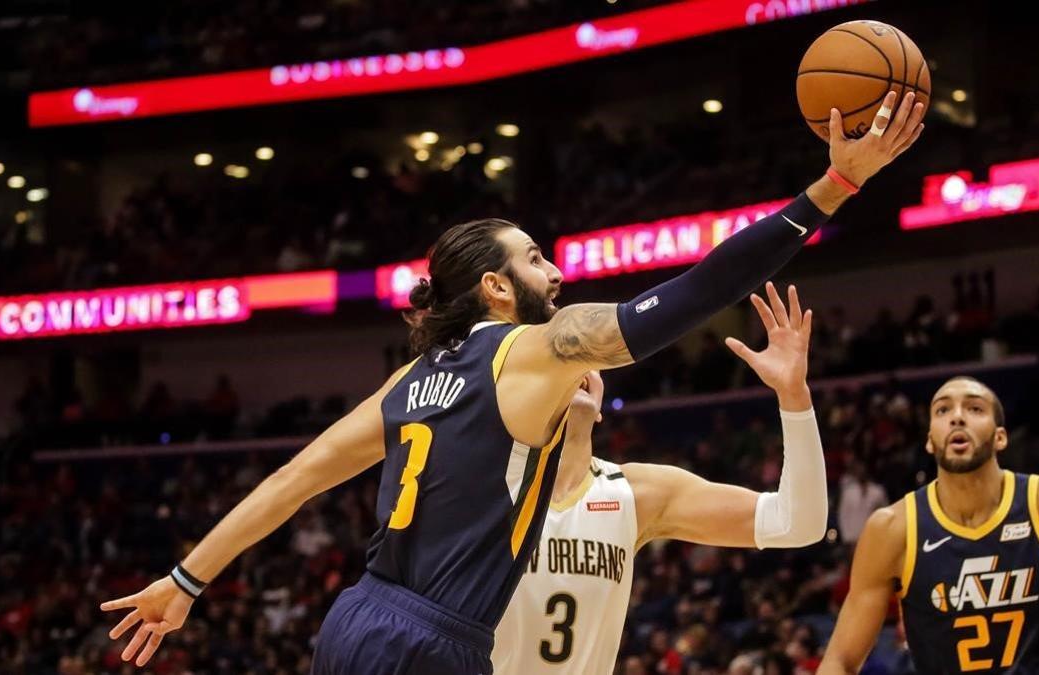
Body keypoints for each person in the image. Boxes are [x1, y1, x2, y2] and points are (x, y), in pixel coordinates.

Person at [101, 93, 925, 673]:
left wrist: (185, 580)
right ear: (496, 288)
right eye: (535, 258)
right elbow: (696, 293)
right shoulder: (534, 350)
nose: (557, 270)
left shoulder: (411, 382)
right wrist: (834, 187)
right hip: (436, 640)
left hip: (355, 620)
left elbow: (291, 480)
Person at [493, 284, 827, 674]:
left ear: (601, 404)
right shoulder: (483, 491)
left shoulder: (637, 493)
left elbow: (797, 524)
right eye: (559, 364)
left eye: (585, 363)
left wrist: (794, 397)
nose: (576, 370)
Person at [818, 376, 1039, 674]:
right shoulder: (894, 529)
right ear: (929, 440)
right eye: (942, 410)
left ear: (1000, 438)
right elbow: (840, 661)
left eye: (975, 409)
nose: (957, 417)